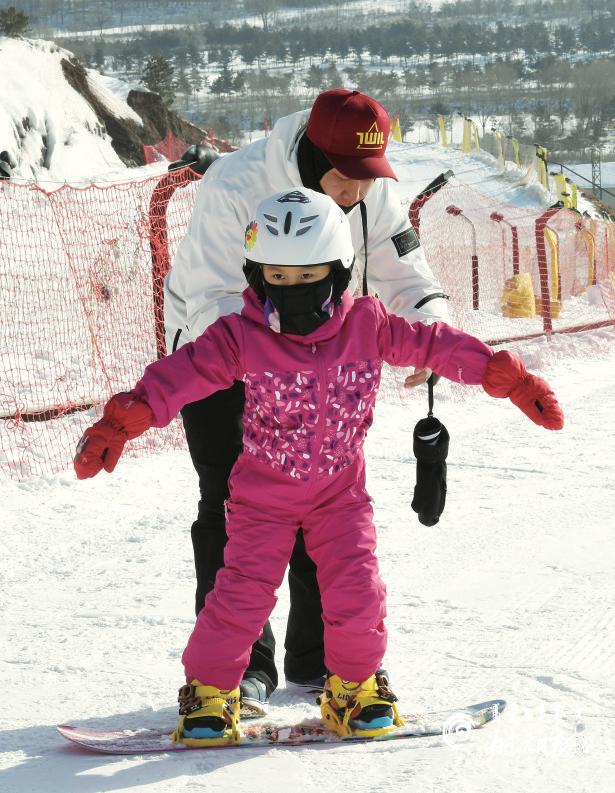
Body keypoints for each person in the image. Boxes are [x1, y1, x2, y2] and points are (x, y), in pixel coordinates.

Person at [74, 188, 563, 747]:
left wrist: (506, 377)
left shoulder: (369, 326)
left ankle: (354, 689)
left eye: (306, 275)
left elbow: (435, 345)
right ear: (256, 275)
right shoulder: (241, 336)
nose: (291, 289)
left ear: (337, 271)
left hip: (339, 495)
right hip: (262, 496)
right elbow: (182, 374)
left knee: (356, 591)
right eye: (276, 277)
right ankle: (210, 694)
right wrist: (123, 420)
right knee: (241, 595)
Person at [163, 89, 452, 714]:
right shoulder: (233, 185)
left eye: (368, 178)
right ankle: (240, 673)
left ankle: (324, 664)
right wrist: (275, 366)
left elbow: (408, 271)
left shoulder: (370, 187)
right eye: (347, 177)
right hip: (222, 364)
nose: (358, 192)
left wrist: (429, 329)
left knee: (326, 506)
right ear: (312, 154)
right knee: (233, 507)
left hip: (326, 364)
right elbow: (215, 299)